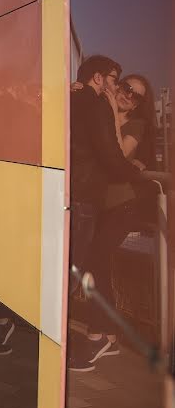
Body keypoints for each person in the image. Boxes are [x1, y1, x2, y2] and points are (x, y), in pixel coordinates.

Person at [69, 55, 143, 372]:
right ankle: (104, 336)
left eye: (135, 94)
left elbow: (116, 156)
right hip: (92, 200)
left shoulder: (131, 121)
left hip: (112, 205)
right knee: (88, 268)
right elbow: (110, 154)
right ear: (101, 79)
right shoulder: (94, 104)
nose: (124, 91)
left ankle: (101, 336)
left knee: (89, 267)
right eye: (120, 83)